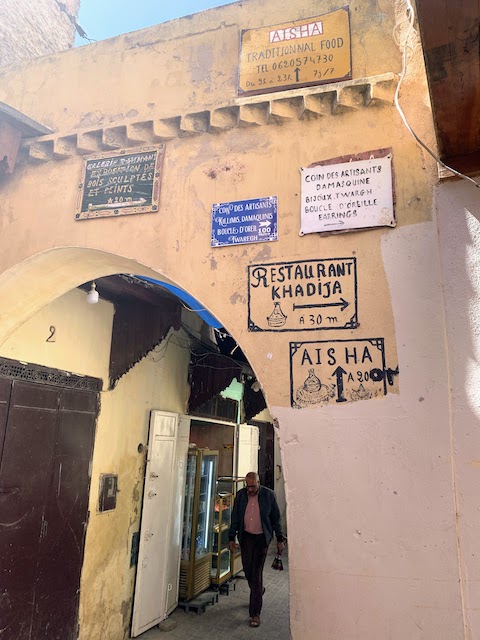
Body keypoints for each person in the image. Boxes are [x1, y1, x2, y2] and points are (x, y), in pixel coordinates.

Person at [228, 472, 285, 628]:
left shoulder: (269, 496)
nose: (250, 489)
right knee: (247, 570)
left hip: (261, 539)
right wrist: (231, 537)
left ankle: (255, 613)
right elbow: (235, 517)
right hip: (246, 538)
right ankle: (259, 590)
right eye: (248, 485)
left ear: (259, 482)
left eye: (253, 486)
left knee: (256, 572)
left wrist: (280, 539)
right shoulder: (240, 496)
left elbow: (276, 519)